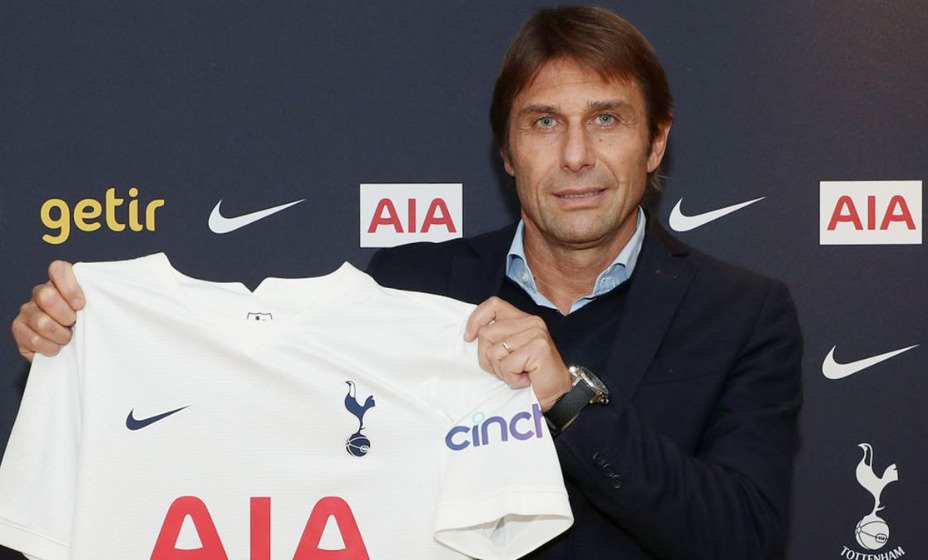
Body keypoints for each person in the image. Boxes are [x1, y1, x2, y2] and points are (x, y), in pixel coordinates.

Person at [10, 6, 802, 560]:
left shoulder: (744, 313)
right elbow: (266, 422)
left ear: (655, 142)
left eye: (606, 119)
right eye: (543, 122)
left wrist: (568, 401)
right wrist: (92, 345)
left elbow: (742, 537)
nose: (574, 157)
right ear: (506, 152)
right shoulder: (407, 287)